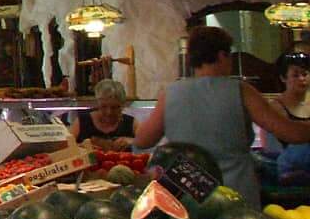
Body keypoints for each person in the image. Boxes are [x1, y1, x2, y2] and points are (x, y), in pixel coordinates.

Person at [134, 25, 310, 209]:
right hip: (235, 190)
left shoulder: (170, 93)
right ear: (222, 55)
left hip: (188, 192)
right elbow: (290, 132)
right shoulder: (240, 90)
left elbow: (143, 139)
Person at [265, 54, 310, 184]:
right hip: (288, 167)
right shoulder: (276, 107)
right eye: (295, 75)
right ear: (283, 78)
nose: (302, 79)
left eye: (305, 74)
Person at [73, 79, 136, 149]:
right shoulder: (82, 121)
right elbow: (66, 147)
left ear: (122, 105)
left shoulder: (131, 123)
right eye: (104, 106)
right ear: (97, 103)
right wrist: (81, 147)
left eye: (114, 107)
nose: (109, 112)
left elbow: (146, 143)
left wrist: (132, 141)